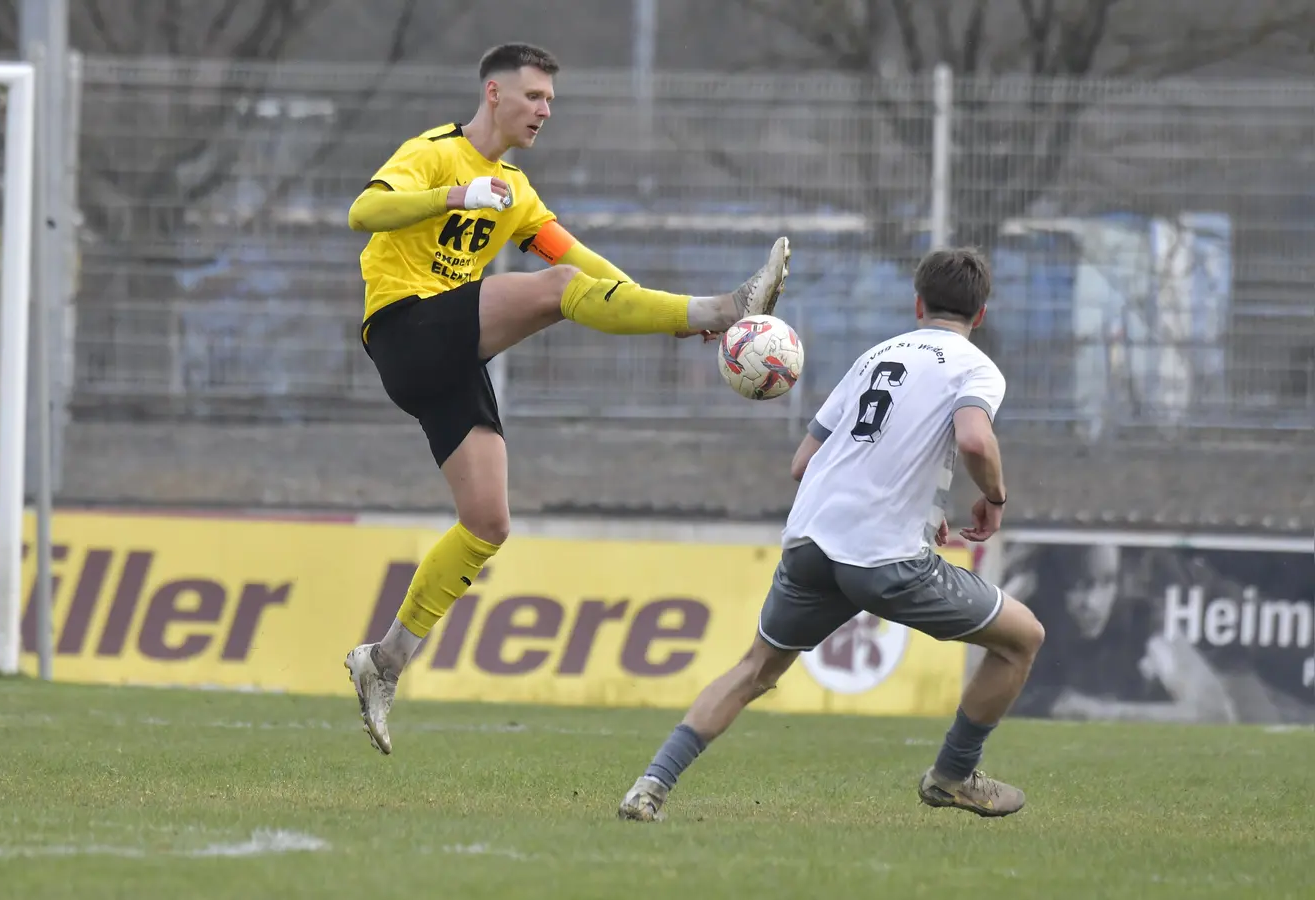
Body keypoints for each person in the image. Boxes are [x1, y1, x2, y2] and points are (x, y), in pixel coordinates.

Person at [342, 41, 794, 756]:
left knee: (487, 524)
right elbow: (363, 211)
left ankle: (384, 661)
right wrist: (455, 196)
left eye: (551, 100)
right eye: (534, 96)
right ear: (494, 94)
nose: (545, 110)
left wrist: (664, 314)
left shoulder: (517, 192)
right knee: (556, 292)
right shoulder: (435, 153)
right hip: (405, 329)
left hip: (450, 353)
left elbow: (583, 264)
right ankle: (724, 307)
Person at [616, 247, 1047, 821]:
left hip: (811, 543)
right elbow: (973, 438)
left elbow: (804, 462)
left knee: (753, 670)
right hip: (883, 559)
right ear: (982, 314)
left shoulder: (875, 356)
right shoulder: (975, 367)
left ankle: (649, 786)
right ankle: (953, 775)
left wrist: (918, 503)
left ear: (917, 304)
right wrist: (993, 498)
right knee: (1023, 639)